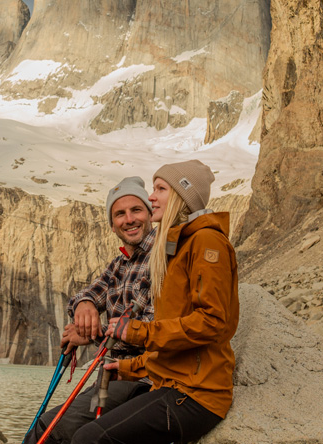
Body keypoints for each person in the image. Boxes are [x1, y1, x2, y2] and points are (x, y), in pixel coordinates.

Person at [70, 159, 239, 444]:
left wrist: (135, 331)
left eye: (160, 188)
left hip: (197, 394)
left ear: (181, 195)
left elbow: (212, 323)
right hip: (171, 385)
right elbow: (174, 337)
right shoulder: (180, 244)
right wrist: (128, 369)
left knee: (90, 439)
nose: (151, 196)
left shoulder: (207, 242)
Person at [24, 176, 155, 444]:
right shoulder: (119, 265)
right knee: (48, 426)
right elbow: (87, 293)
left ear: (150, 214)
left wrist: (91, 333)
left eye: (136, 210)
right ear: (111, 225)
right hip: (113, 376)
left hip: (143, 378)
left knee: (52, 431)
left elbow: (149, 324)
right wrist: (84, 306)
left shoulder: (162, 258)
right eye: (119, 214)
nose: (128, 219)